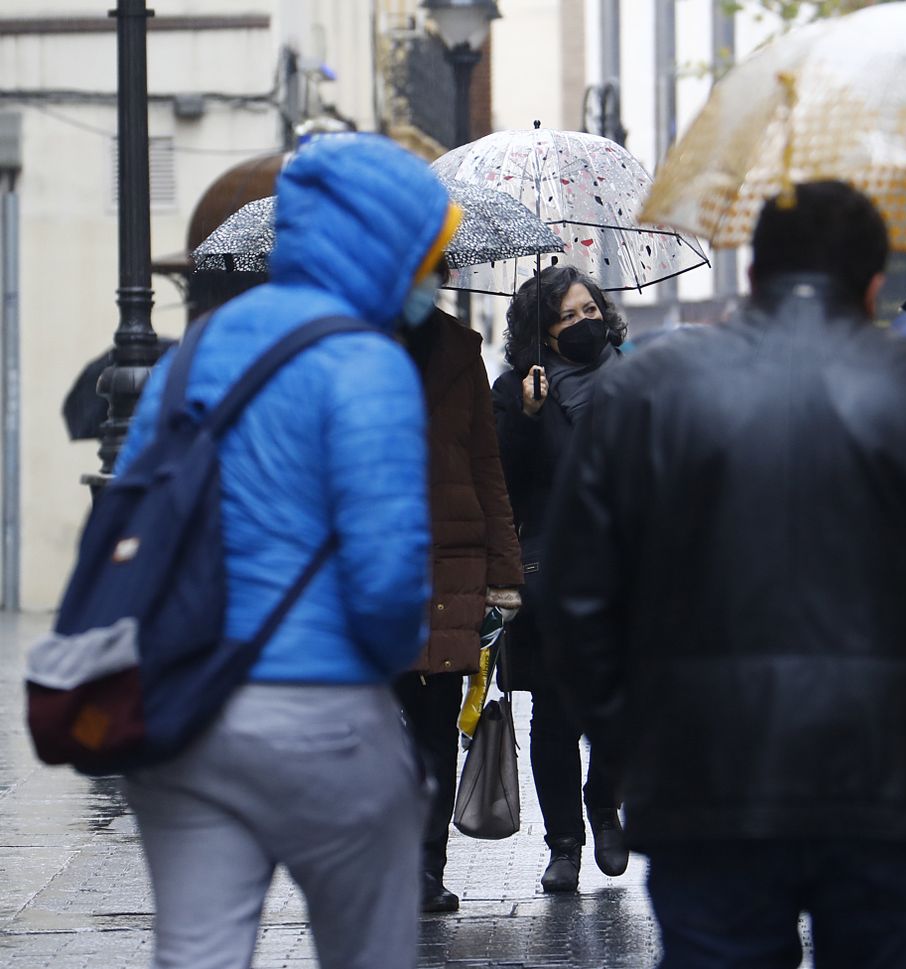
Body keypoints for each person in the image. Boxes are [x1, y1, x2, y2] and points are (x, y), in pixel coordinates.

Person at [542, 181, 906, 968]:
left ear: (755, 275)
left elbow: (576, 595)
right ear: (875, 281)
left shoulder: (647, 392)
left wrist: (636, 738)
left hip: (706, 776)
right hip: (890, 778)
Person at [114, 134, 450, 969]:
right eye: (427, 257)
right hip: (321, 713)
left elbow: (125, 516)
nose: (431, 279)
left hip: (180, 709)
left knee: (196, 951)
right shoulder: (365, 365)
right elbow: (385, 583)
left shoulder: (188, 354)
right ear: (383, 248)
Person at [491, 265, 629, 893]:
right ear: (542, 331)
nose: (582, 324)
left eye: (588, 310)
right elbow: (503, 484)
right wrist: (524, 415)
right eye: (566, 317)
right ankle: (565, 842)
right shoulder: (517, 388)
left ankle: (605, 802)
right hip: (552, 569)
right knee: (555, 715)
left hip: (629, 568)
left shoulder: (636, 377)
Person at [395, 285, 524, 914]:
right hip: (373, 560)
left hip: (452, 560)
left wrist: (504, 574)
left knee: (436, 721)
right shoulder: (341, 341)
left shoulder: (457, 347)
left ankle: (424, 868)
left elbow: (485, 463)